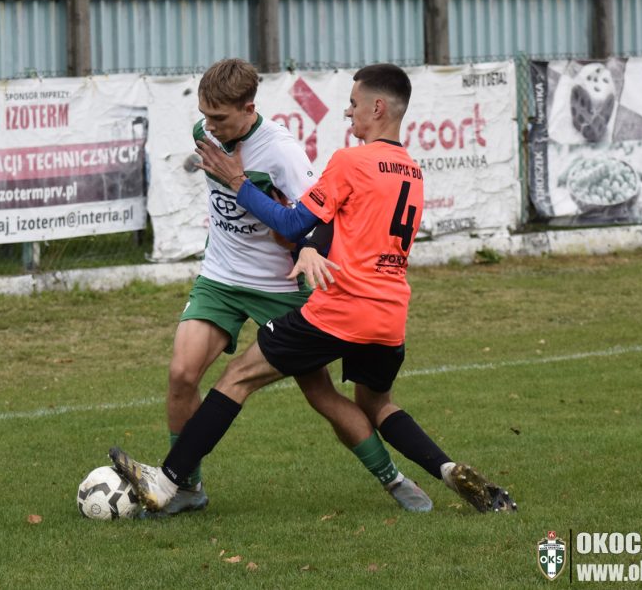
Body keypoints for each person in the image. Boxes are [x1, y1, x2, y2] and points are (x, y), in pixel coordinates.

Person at [111, 63, 516, 514]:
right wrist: (309, 246)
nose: (347, 112)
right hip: (389, 313)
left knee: (238, 377)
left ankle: (167, 481)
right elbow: (338, 221)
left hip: (339, 306)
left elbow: (295, 222)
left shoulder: (348, 161)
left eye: (354, 104)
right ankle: (447, 468)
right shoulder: (413, 172)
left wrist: (246, 189)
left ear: (377, 108)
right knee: (378, 404)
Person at [157, 58, 432, 515]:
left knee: (319, 393)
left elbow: (317, 217)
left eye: (220, 117)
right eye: (205, 116)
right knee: (182, 374)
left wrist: (307, 249)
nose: (210, 126)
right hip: (220, 277)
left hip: (279, 286)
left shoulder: (282, 152)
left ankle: (393, 479)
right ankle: (185, 488)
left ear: (249, 109)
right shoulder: (204, 133)